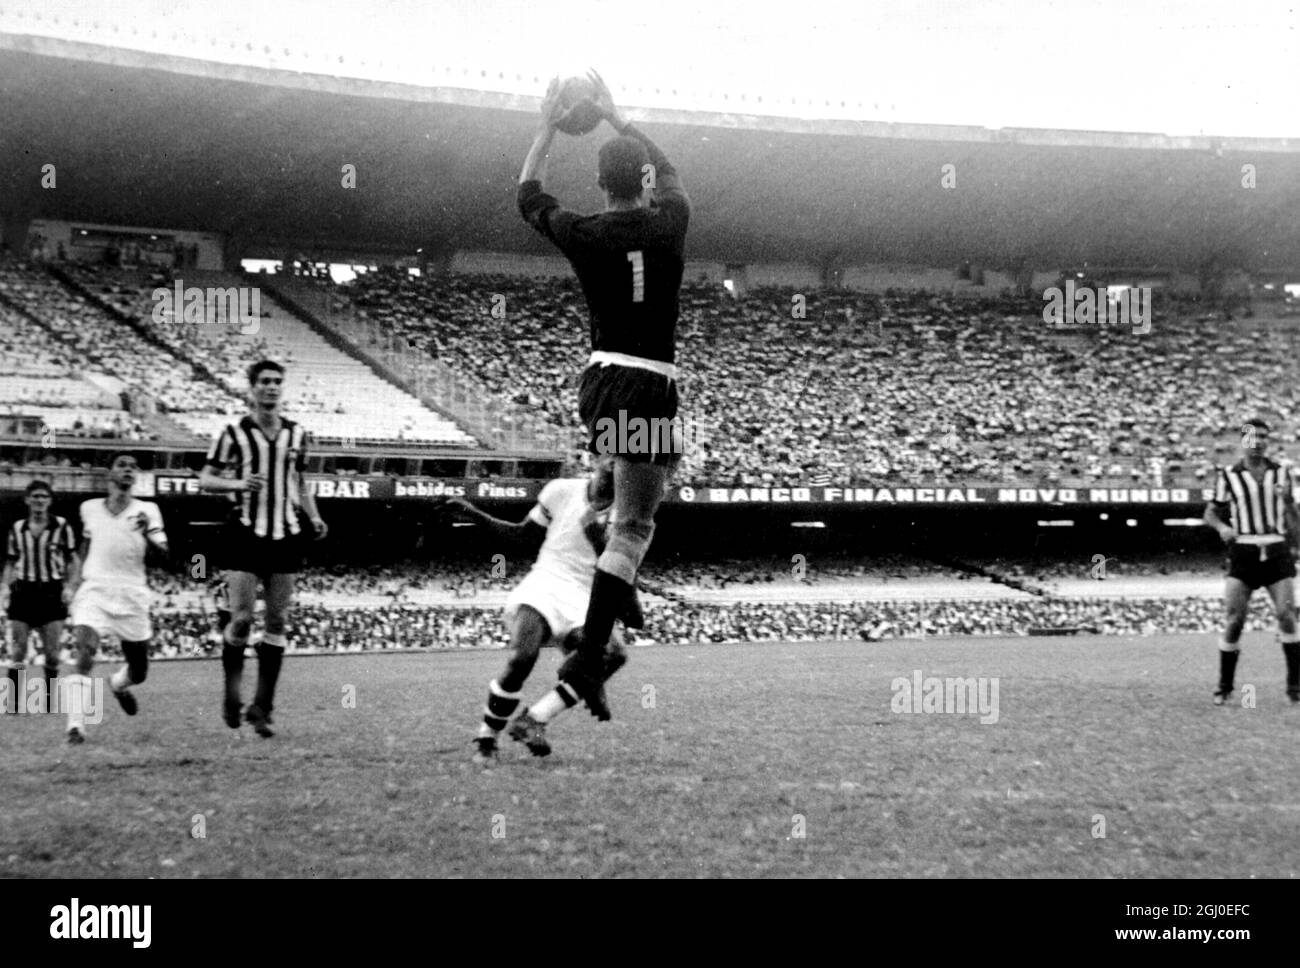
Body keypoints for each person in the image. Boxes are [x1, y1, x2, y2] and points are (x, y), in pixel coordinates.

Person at [515, 70, 689, 719]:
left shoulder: (584, 233)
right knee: (636, 525)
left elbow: (527, 193)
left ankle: (603, 617)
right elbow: (670, 168)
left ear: (599, 184)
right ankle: (590, 652)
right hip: (649, 382)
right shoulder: (673, 220)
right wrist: (619, 117)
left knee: (616, 500)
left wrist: (546, 129)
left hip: (602, 383)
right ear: (643, 179)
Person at [439, 457, 629, 761]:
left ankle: (534, 719)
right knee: (522, 657)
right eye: (611, 457)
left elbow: (622, 573)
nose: (615, 465)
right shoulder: (561, 491)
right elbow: (522, 535)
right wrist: (473, 513)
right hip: (545, 582)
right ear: (596, 459)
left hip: (585, 597)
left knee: (614, 654)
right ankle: (487, 740)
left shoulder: (628, 515)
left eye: (624, 462)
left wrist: (600, 545)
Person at [199, 360, 328, 737]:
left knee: (277, 621)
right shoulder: (233, 433)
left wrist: (314, 516)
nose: (271, 388)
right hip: (244, 532)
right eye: (265, 382)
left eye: (277, 382)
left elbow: (300, 481)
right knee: (240, 620)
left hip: (286, 533)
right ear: (252, 388)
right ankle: (231, 695)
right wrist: (238, 485)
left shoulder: (296, 433)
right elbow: (206, 478)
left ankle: (263, 708)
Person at [63, 454, 170, 743]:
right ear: (110, 472)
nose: (127, 470)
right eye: (122, 465)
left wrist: (147, 532)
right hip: (95, 589)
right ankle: (76, 726)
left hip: (132, 592)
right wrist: (73, 583)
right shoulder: (89, 508)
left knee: (140, 669)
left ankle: (118, 685)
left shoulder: (149, 509)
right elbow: (85, 547)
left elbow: (164, 556)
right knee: (85, 651)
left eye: (133, 467)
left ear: (136, 476)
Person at [1203, 418, 1300, 705]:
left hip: (1276, 548)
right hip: (1243, 550)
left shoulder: (1282, 473)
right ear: (1242, 440)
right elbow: (1210, 513)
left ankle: (1295, 687)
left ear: (1268, 441)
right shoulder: (1229, 475)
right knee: (1234, 620)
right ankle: (1224, 686)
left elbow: (1294, 521)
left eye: (1262, 437)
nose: (1257, 442)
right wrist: (1223, 528)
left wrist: (1288, 505)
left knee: (1287, 616)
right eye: (1251, 436)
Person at [1, 480, 80, 713]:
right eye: (35, 496)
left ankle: (47, 702)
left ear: (50, 501)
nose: (39, 500)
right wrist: (5, 586)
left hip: (51, 591)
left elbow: (74, 560)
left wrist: (70, 586)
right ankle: (14, 702)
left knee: (53, 654)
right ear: (27, 500)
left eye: (44, 496)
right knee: (18, 650)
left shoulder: (61, 526)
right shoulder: (17, 528)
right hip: (23, 590)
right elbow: (10, 561)